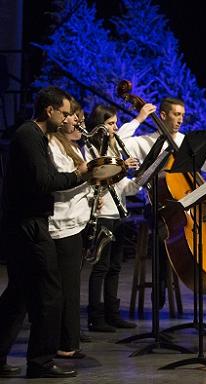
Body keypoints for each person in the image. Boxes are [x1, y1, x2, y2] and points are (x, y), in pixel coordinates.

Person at [122, 97, 206, 316]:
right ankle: (160, 284)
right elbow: (118, 141)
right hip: (158, 206)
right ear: (162, 115)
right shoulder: (144, 142)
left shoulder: (185, 142)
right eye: (175, 114)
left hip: (190, 203)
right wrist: (139, 118)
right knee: (163, 233)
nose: (180, 119)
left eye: (182, 115)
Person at [0, 86, 90, 378]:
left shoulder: (34, 136)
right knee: (50, 293)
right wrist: (80, 174)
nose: (68, 118)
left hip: (26, 223)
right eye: (64, 113)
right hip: (28, 225)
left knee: (18, 295)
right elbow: (44, 180)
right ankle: (40, 362)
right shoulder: (29, 136)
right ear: (49, 111)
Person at [84, 104, 142, 332]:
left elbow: (122, 188)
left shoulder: (114, 148)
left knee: (115, 266)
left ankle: (112, 313)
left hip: (118, 213)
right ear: (99, 125)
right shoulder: (92, 151)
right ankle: (95, 317)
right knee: (101, 266)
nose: (115, 127)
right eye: (110, 123)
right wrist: (121, 168)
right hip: (102, 215)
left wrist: (138, 180)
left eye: (116, 123)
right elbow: (96, 179)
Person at [47, 99, 92, 359]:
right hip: (61, 224)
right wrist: (88, 175)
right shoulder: (53, 145)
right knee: (65, 288)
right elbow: (61, 181)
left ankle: (69, 341)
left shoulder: (73, 147)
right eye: (73, 117)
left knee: (72, 288)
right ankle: (64, 344)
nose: (78, 123)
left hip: (75, 222)